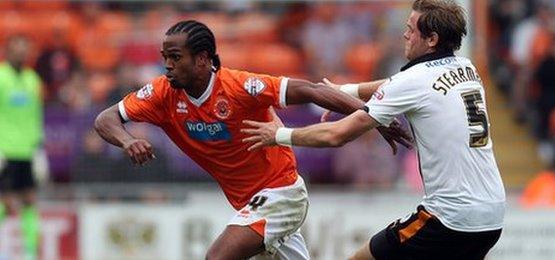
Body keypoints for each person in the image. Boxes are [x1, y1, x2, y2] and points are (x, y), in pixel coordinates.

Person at [94, 20, 411, 260]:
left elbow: (312, 90)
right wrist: (126, 141)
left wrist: (373, 115)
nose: (168, 65)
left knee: (216, 257)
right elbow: (106, 119)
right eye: (165, 57)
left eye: (175, 57)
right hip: (248, 202)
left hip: (280, 193)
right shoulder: (162, 94)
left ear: (203, 59)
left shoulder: (241, 87)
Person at [242, 1, 506, 259]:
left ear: (432, 39)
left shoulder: (413, 81)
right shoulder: (467, 67)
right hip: (492, 215)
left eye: (412, 29)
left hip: (449, 218)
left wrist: (278, 135)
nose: (405, 34)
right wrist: (344, 91)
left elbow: (337, 135)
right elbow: (395, 84)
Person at [0, 35, 43, 259]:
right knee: (6, 204)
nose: (21, 53)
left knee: (29, 199)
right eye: (17, 48)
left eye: (25, 49)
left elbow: (36, 115)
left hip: (27, 150)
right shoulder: (1, 77)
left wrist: (39, 149)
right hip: (4, 149)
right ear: (7, 51)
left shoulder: (32, 79)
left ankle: (30, 252)